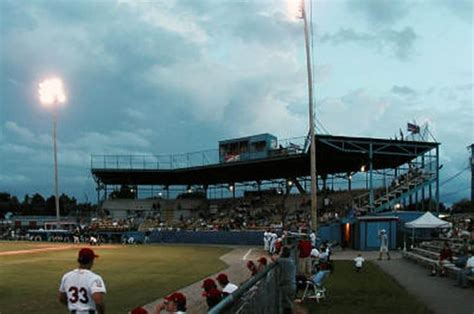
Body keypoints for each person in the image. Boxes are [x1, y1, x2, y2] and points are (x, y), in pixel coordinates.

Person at [58, 248, 106, 314]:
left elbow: (61, 298)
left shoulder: (67, 276)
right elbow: (98, 301)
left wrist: (74, 306)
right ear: (91, 261)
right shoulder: (95, 278)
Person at [271, 247, 296, 314]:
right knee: (288, 304)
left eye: (281, 251)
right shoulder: (290, 259)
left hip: (286, 286)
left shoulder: (283, 260)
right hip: (292, 284)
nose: (279, 252)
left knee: (286, 305)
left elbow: (273, 258)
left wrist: (275, 253)